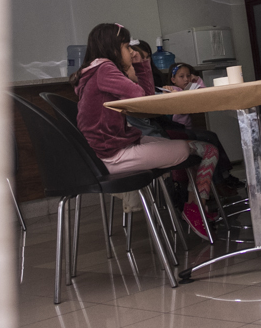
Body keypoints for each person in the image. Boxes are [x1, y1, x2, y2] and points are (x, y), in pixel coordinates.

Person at [73, 23, 219, 239]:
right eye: (126, 46)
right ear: (113, 48)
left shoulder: (94, 71)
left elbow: (146, 100)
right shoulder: (105, 69)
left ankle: (194, 206)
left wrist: (141, 64)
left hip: (114, 148)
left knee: (205, 148)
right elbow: (141, 97)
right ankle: (194, 208)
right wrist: (136, 68)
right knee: (208, 150)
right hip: (115, 155)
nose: (131, 51)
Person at [164, 62, 242, 193]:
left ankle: (224, 176)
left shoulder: (187, 90)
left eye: (188, 76)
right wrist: (172, 91)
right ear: (173, 80)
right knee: (210, 138)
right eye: (181, 76)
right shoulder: (173, 90)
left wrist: (198, 79)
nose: (186, 79)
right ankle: (221, 180)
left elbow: (203, 94)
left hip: (187, 130)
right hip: (180, 132)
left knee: (211, 136)